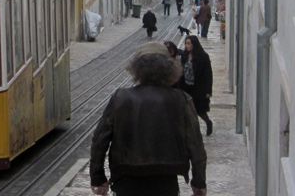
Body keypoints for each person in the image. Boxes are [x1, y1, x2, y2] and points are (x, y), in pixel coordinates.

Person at [90, 42, 207, 196]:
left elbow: (99, 140)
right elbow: (195, 144)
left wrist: (97, 178)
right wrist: (198, 182)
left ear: (137, 69)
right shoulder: (181, 99)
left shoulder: (120, 98)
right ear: (169, 69)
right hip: (165, 180)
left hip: (126, 180)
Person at [179, 36, 214, 136]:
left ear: (194, 44)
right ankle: (191, 131)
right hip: (186, 87)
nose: (187, 45)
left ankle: (208, 122)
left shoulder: (203, 57)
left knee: (199, 109)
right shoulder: (184, 55)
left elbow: (208, 74)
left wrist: (208, 90)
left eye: (189, 43)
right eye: (186, 43)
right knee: (187, 110)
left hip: (198, 87)